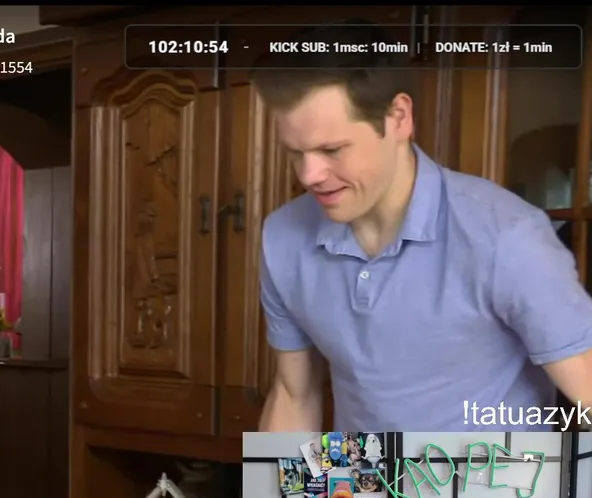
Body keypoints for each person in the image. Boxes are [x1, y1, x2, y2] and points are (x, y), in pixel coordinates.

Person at [251, 21, 592, 431]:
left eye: (332, 150)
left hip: (494, 473)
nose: (309, 175)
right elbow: (294, 394)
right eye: (294, 152)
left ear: (398, 117)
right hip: (359, 473)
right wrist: (279, 477)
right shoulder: (282, 236)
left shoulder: (508, 237)